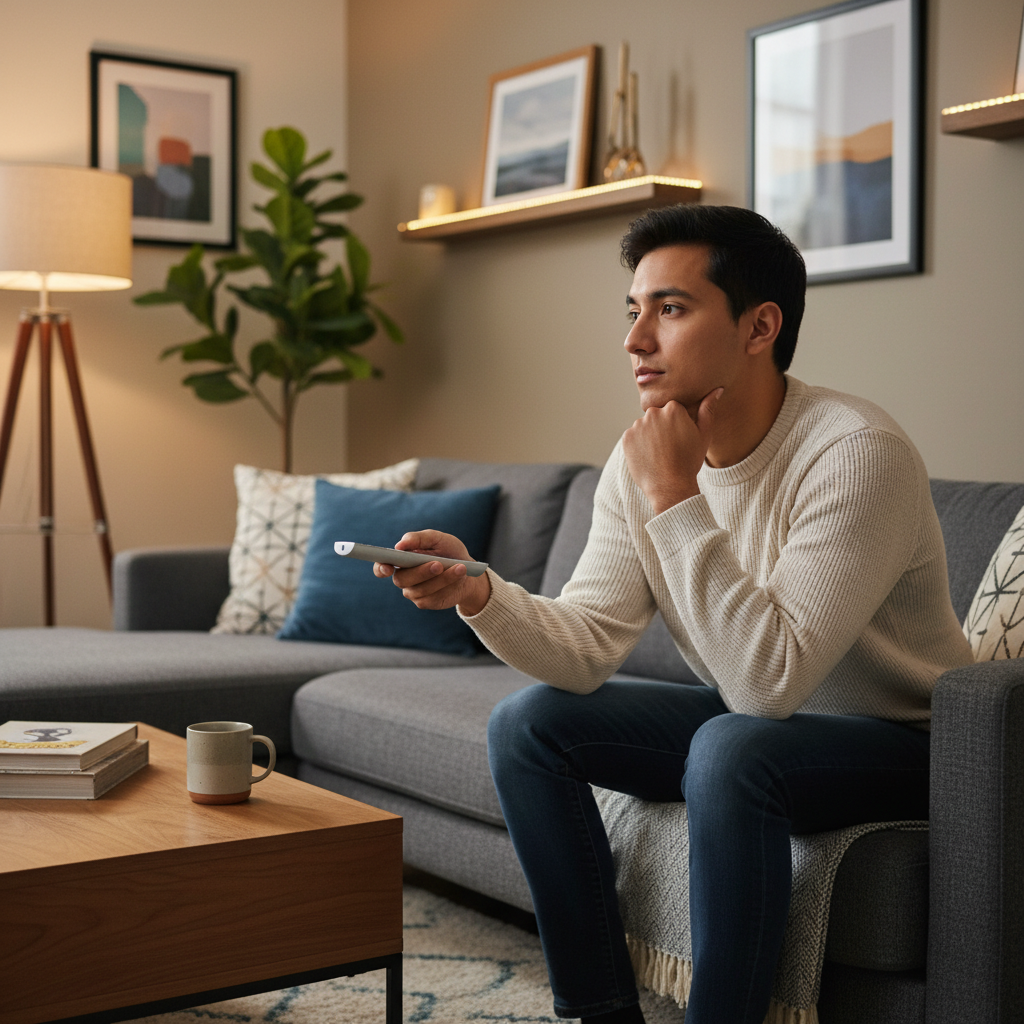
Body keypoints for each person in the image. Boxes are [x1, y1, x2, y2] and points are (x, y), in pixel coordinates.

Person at [373, 205, 973, 1024]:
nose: (635, 339)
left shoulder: (856, 451)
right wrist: (480, 592)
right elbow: (587, 647)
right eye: (633, 310)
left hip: (900, 740)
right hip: (764, 723)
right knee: (528, 725)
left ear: (760, 326)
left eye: (671, 309)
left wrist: (676, 496)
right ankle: (602, 1008)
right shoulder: (644, 459)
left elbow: (767, 684)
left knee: (733, 744)